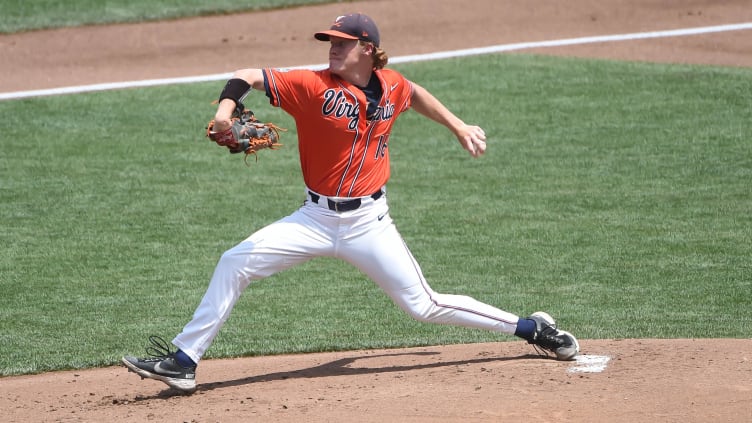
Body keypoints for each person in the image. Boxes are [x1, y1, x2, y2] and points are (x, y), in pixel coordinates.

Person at [122, 13, 579, 394]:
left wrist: (458, 126)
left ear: (367, 48)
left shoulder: (391, 85)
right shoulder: (311, 86)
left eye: (342, 42)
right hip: (314, 218)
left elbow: (413, 92)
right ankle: (184, 361)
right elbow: (247, 76)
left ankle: (531, 329)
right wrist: (224, 112)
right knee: (234, 262)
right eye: (330, 42)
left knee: (423, 305)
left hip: (369, 224)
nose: (332, 49)